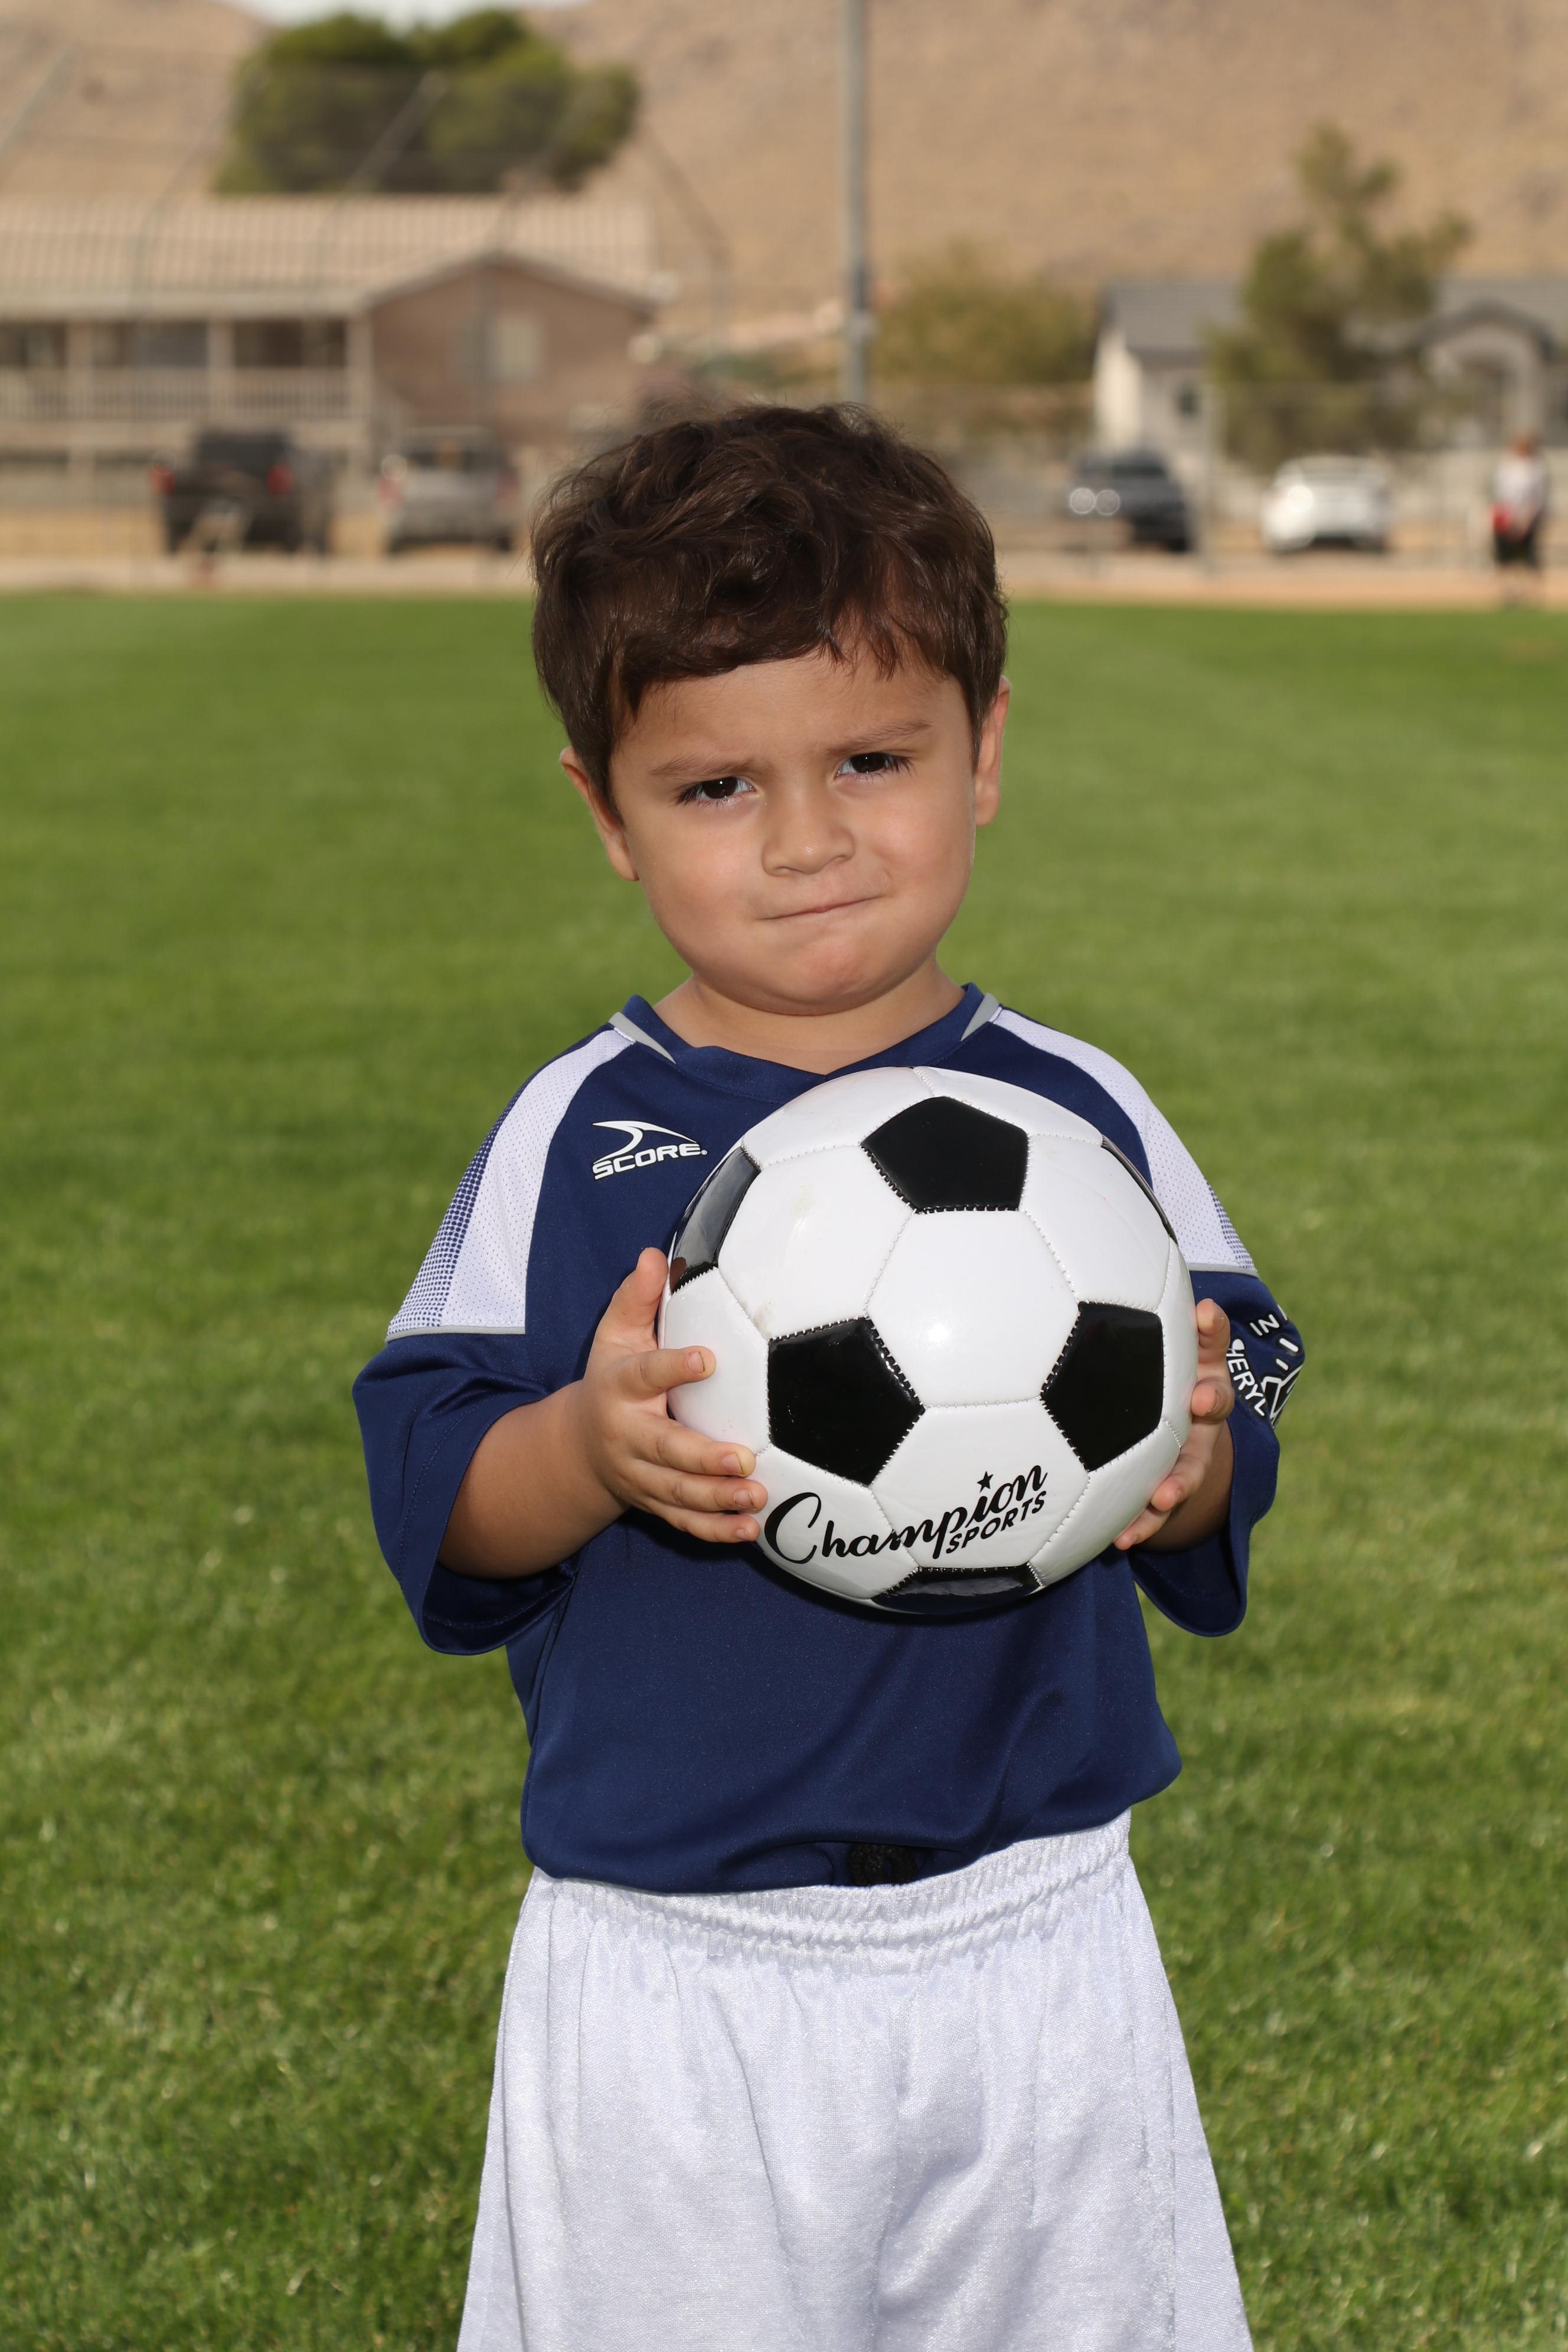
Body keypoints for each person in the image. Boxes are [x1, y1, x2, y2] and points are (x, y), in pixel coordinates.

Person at [353, 405, 1306, 2352]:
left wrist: (1199, 1460)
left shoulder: (1081, 1116)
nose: (806, 841)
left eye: (872, 760)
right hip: (677, 1964)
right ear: (608, 815)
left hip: (1039, 1928)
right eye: (716, 787)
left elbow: (1241, 1378)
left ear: (984, 752)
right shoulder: (576, 1133)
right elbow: (434, 1483)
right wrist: (587, 1446)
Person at [1491, 431, 1549, 576]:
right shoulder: (1506, 467)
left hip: (1529, 518)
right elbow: (1500, 495)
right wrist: (1509, 519)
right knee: (1505, 556)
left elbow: (1538, 498)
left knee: (1528, 556)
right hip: (1508, 518)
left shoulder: (1536, 469)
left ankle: (1528, 577)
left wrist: (1526, 519)